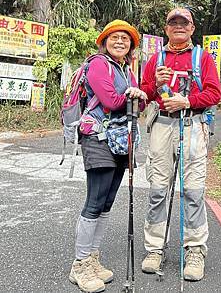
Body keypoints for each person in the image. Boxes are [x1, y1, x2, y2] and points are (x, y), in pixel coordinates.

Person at [140, 7, 221, 282]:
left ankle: (195, 250)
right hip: (161, 126)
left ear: (191, 28)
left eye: (182, 23)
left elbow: (214, 93)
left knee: (194, 192)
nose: (178, 27)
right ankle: (154, 249)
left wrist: (187, 101)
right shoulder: (155, 59)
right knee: (158, 190)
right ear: (165, 29)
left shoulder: (203, 58)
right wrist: (154, 83)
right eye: (172, 23)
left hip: (192, 126)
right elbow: (143, 95)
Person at [69, 20, 147, 293]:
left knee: (107, 202)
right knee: (95, 201)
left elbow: (141, 102)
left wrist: (136, 94)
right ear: (104, 41)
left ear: (131, 47)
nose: (120, 42)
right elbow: (113, 101)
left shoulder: (126, 68)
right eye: (114, 37)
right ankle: (80, 265)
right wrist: (132, 94)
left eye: (126, 39)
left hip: (120, 140)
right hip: (98, 139)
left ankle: (93, 256)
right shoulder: (99, 64)